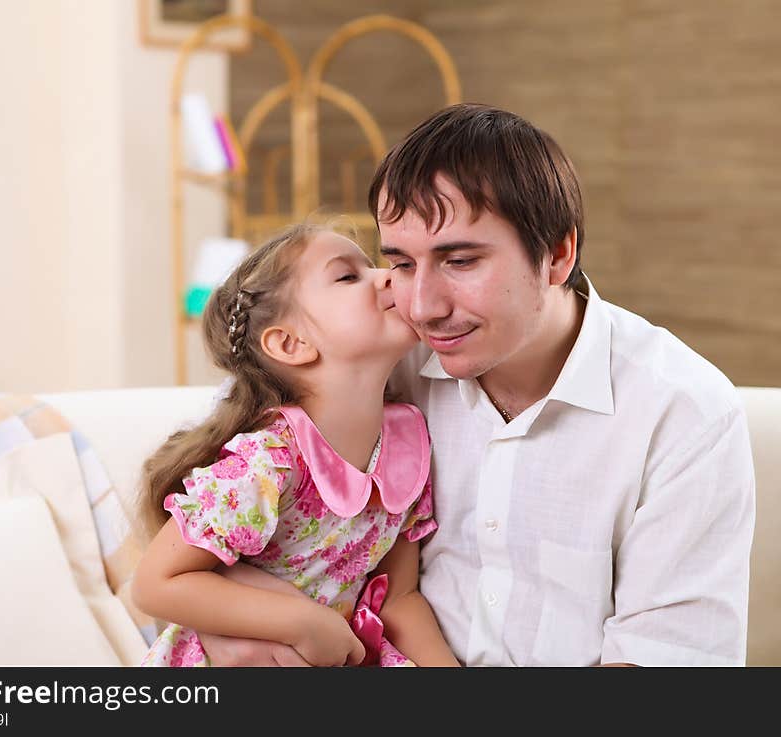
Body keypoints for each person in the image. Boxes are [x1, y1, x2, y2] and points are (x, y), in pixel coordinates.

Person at [199, 104, 756, 667]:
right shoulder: (378, 361)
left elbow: (667, 657)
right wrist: (249, 616)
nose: (422, 307)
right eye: (403, 264)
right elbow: (211, 494)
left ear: (557, 254)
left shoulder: (682, 411)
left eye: (460, 261)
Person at [131, 222, 460, 667]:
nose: (387, 275)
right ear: (291, 343)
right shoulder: (267, 462)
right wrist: (304, 621)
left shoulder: (407, 444)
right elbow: (155, 583)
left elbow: (399, 596)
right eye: (348, 276)